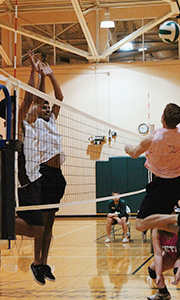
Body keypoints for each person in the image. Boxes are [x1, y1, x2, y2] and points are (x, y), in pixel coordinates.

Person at [125, 91, 180, 256]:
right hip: (176, 182)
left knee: (140, 224)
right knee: (158, 222)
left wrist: (126, 146)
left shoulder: (151, 139)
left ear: (162, 118)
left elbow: (134, 153)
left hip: (161, 185)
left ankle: (178, 218)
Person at [33, 62, 66, 282]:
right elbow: (36, 98)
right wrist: (40, 77)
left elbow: (60, 98)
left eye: (48, 106)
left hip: (57, 175)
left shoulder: (52, 119)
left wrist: (51, 75)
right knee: (42, 222)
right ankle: (36, 262)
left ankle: (44, 262)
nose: (46, 108)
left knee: (51, 221)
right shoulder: (34, 121)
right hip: (43, 173)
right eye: (43, 106)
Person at [15, 51, 45, 285]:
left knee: (40, 230)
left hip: (34, 181)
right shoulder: (19, 123)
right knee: (38, 230)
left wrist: (41, 74)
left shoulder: (32, 123)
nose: (38, 108)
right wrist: (33, 72)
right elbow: (29, 98)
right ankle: (5, 221)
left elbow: (39, 99)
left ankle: (37, 263)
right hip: (24, 183)